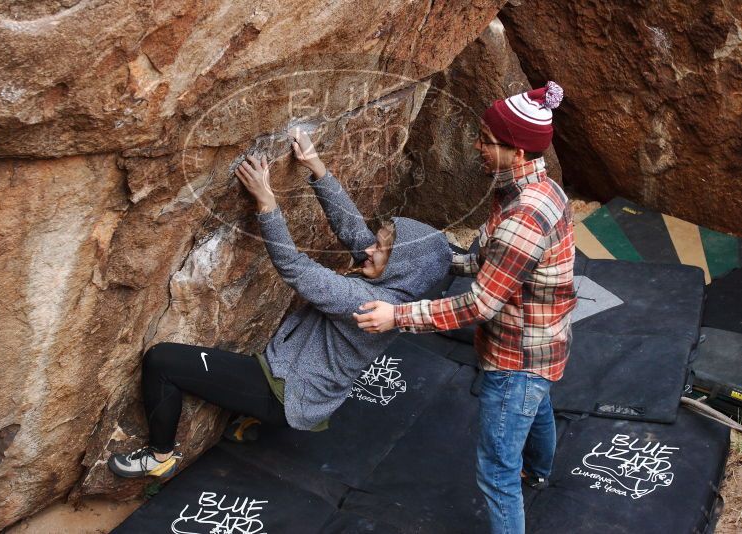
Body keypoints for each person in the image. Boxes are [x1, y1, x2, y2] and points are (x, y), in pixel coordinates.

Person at [107, 129, 452, 478]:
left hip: (284, 392)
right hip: (307, 382)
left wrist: (267, 202)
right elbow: (352, 230)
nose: (368, 249)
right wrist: (317, 169)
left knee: (162, 361)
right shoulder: (393, 283)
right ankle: (251, 416)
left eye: (381, 250)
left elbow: (296, 268)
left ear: (401, 269)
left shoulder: (366, 303)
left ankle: (160, 456)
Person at [353, 82, 577, 534]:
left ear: (515, 151)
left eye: (486, 140)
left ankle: (525, 481)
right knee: (539, 408)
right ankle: (539, 471)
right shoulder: (532, 190)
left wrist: (396, 315)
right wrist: (406, 257)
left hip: (517, 359)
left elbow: (480, 303)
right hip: (543, 344)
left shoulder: (523, 218)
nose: (477, 146)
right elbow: (482, 259)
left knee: (496, 472)